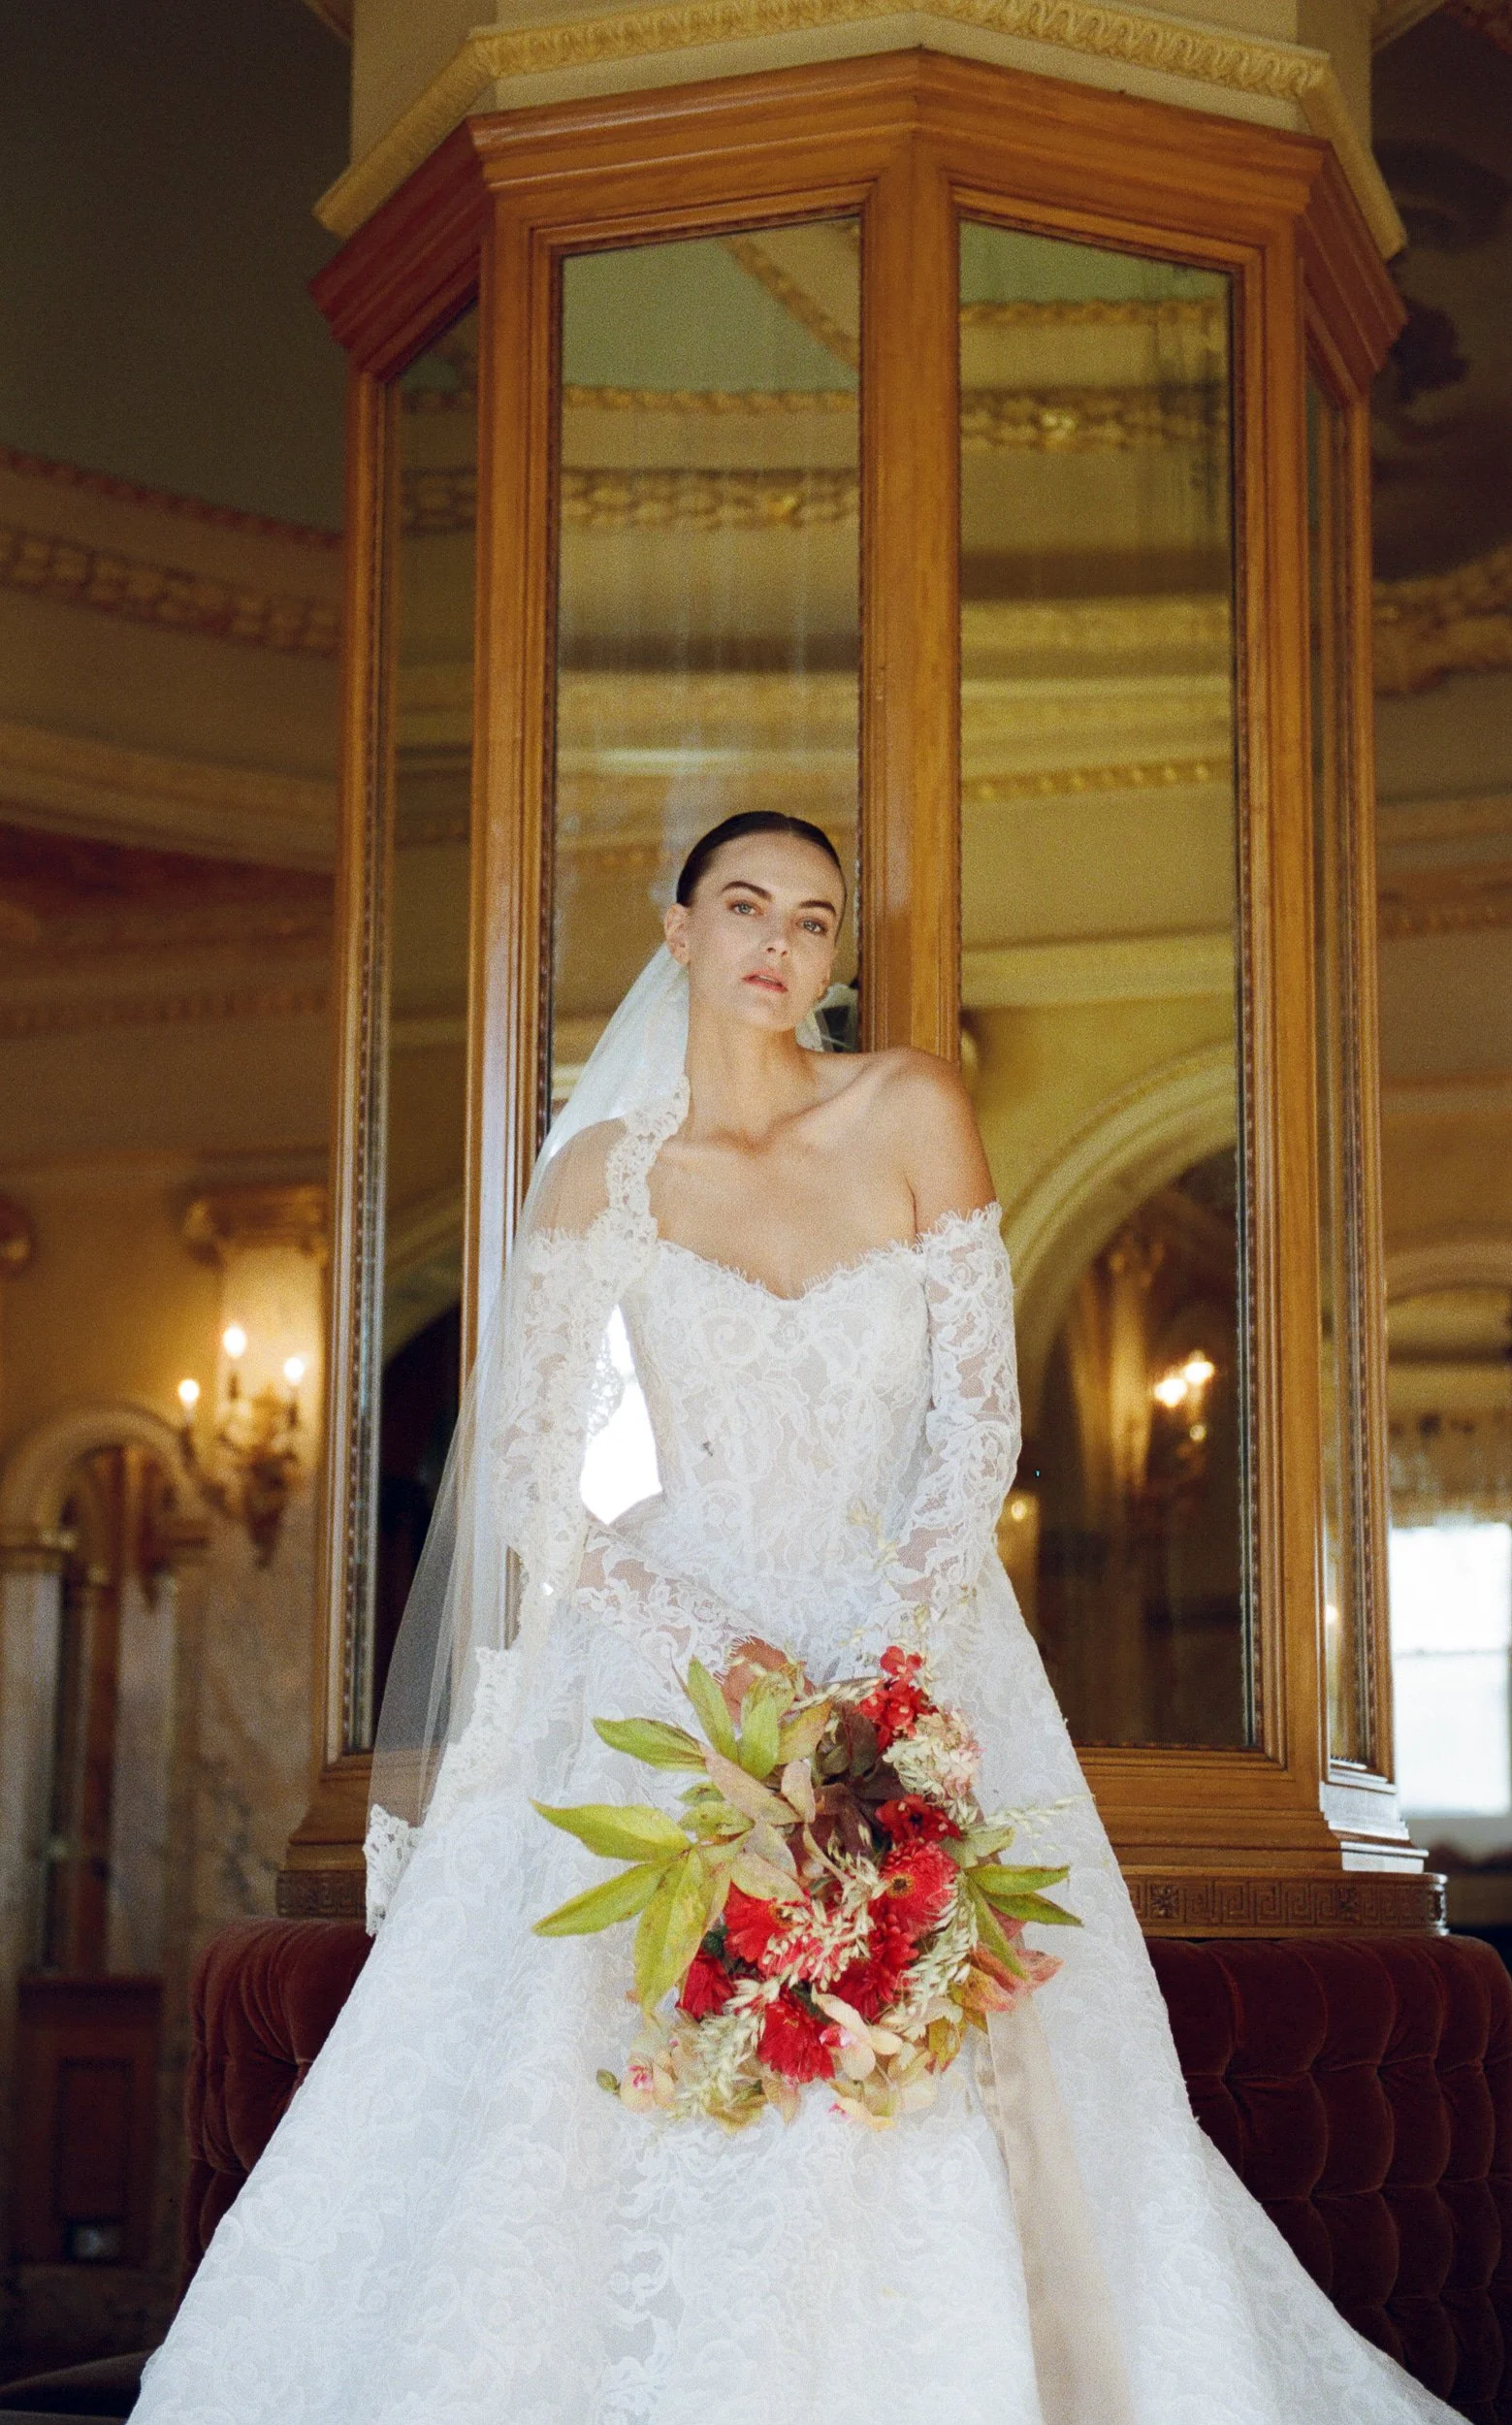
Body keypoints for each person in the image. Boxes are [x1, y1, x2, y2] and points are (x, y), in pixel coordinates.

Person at [134, 812, 1462, 2424]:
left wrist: (887, 1669)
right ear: (676, 927)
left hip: (908, 1634)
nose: (779, 944)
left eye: (815, 921)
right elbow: (538, 1487)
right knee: (602, 2056)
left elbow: (978, 1421)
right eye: (745, 907)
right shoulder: (597, 1177)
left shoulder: (907, 1103)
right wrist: (730, 1661)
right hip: (674, 1663)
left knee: (944, 2031)